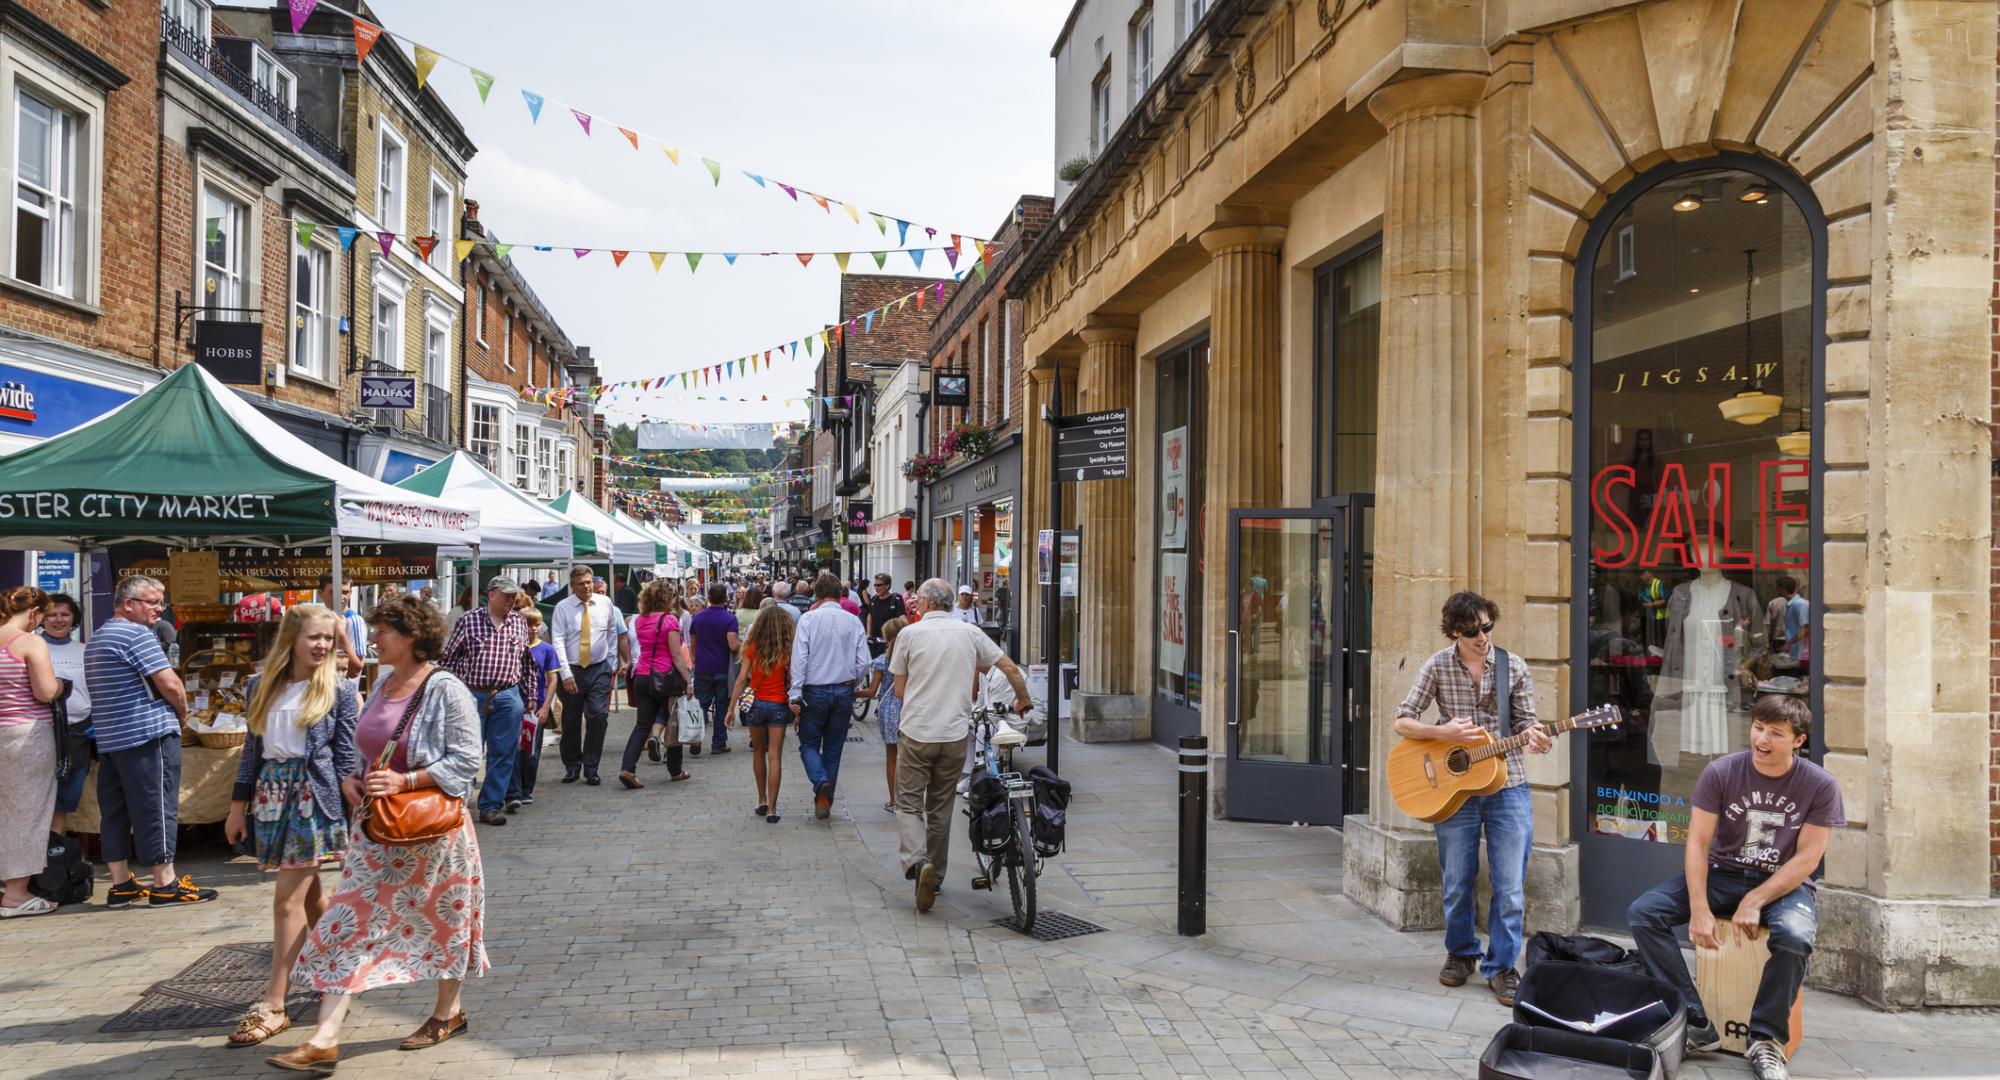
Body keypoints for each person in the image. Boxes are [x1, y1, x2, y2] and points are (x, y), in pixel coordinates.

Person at [270, 593, 490, 1072]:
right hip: (377, 833)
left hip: (433, 834)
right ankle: (325, 1037)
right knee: (346, 925)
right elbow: (365, 747)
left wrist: (406, 780)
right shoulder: (382, 683)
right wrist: (353, 779)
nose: (371, 638)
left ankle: (447, 1011)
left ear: (410, 637)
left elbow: (467, 760)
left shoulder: (444, 687)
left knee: (446, 922)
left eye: (381, 631)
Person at [1627, 695, 1842, 1080]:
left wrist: (1756, 899)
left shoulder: (1820, 784)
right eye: (1758, 727)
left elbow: (1808, 859)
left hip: (1783, 884)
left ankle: (1766, 1040)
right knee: (1645, 912)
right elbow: (1697, 843)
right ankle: (1695, 1022)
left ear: (1798, 740)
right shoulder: (1722, 771)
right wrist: (1698, 908)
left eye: (1776, 733)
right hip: (1722, 874)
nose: (1762, 739)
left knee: (1794, 936)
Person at [1392, 590, 1548, 1006]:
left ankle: (1501, 966)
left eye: (1487, 627)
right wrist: (1445, 734)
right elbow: (1403, 720)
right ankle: (1461, 953)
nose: (1482, 637)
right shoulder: (1438, 665)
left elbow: (1528, 723)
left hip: (1507, 784)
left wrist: (1536, 739)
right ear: (1455, 631)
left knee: (1510, 885)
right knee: (1457, 881)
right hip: (1454, 790)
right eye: (1472, 631)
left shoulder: (1512, 666)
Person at [222, 604, 358, 1047]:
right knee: (311, 896)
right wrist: (237, 806)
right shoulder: (260, 685)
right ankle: (340, 969)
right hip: (271, 795)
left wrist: (352, 812)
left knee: (286, 902)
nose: (322, 646)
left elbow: (345, 760)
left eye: (329, 639)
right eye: (314, 637)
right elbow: (251, 750)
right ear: (291, 640)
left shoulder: (338, 689)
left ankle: (275, 1003)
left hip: (313, 798)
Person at [890, 579, 1032, 912]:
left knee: (909, 803)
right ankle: (936, 876)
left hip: (917, 732)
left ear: (924, 603)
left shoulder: (909, 635)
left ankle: (916, 861)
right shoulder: (968, 633)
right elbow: (1008, 666)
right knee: (940, 807)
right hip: (953, 735)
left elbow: (899, 691)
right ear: (952, 603)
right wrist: (1022, 699)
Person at [85, 574, 215, 908]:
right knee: (157, 807)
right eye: (153, 602)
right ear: (129, 604)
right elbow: (170, 683)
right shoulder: (136, 634)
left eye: (161, 602)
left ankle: (121, 884)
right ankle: (164, 883)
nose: (159, 609)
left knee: (114, 811)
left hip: (112, 737)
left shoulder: (99, 636)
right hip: (147, 733)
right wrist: (182, 715)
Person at [437, 577, 536, 827]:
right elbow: (448, 658)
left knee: (503, 753)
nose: (511, 601)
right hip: (471, 694)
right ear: (491, 595)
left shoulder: (518, 622)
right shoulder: (469, 620)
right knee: (465, 751)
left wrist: (530, 696)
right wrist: (449, 693)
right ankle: (458, 802)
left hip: (508, 694)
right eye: (506, 595)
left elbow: (526, 663)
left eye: (514, 596)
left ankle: (490, 806)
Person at [788, 572, 872, 820]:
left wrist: (795, 694)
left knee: (809, 744)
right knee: (834, 749)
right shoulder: (853, 621)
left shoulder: (809, 619)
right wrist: (851, 681)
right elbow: (864, 662)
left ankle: (820, 780)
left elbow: (799, 659)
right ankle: (825, 798)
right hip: (843, 690)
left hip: (814, 690)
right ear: (839, 595)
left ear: (817, 595)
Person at [0, 587, 62, 918]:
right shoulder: (29, 642)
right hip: (26, 735)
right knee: (28, 811)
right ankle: (16, 893)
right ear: (35, 613)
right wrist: (62, 686)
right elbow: (45, 691)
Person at [551, 565, 631, 785]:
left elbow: (612, 632)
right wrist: (565, 673)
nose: (586, 587)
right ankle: (572, 765)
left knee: (598, 716)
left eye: (588, 582)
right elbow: (557, 640)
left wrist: (610, 661)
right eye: (581, 583)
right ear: (572, 585)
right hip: (573, 669)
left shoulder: (604, 603)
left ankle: (592, 766)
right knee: (571, 719)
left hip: (598, 668)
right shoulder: (563, 608)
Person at [621, 579, 691, 789]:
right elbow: (676, 655)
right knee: (673, 721)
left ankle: (628, 767)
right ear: (665, 599)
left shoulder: (640, 620)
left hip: (641, 675)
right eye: (672, 597)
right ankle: (675, 769)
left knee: (642, 724)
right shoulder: (669, 620)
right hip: (665, 677)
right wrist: (688, 680)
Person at [731, 597, 794, 823]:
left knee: (758, 752)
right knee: (775, 755)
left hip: (756, 704)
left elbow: (741, 679)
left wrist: (730, 709)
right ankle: (773, 810)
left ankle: (761, 799)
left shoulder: (752, 646)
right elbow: (793, 678)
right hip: (778, 704)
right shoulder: (786, 648)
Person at [39, 593, 91, 835]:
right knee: (38, 796)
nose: (58, 620)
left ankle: (54, 849)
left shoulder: (86, 651)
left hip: (78, 732)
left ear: (74, 619)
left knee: (66, 798)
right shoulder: (33, 649)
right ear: (41, 618)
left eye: (64, 614)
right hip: (40, 732)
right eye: (51, 614)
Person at [508, 606, 561, 812]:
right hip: (514, 707)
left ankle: (526, 789)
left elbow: (552, 679)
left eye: (536, 624)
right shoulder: (513, 647)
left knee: (530, 751)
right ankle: (513, 789)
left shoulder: (546, 650)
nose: (532, 629)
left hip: (535, 708)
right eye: (528, 624)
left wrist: (546, 706)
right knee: (512, 750)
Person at [854, 616, 907, 814]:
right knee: (908, 758)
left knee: (891, 757)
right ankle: (908, 799)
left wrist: (851, 692)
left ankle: (893, 800)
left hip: (888, 711)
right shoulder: (912, 658)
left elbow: (871, 692)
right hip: (909, 708)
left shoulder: (882, 662)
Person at [688, 582, 741, 756]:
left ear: (708, 598)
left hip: (702, 667)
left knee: (700, 705)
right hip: (722, 668)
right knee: (721, 706)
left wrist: (696, 660)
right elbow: (733, 645)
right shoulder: (730, 619)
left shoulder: (698, 618)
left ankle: (695, 738)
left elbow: (693, 644)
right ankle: (718, 743)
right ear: (726, 599)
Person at [316, 574, 367, 679]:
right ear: (320, 593)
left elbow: (356, 669)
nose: (341, 597)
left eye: (345, 592)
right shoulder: (318, 620)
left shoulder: (354, 621)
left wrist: (342, 637)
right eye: (334, 592)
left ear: (350, 593)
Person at [863, 574, 904, 658]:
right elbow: (870, 616)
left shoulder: (895, 601)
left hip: (888, 644)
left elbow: (903, 620)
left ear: (887, 585)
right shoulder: (874, 599)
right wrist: (868, 635)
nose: (876, 588)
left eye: (879, 585)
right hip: (874, 643)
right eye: (875, 585)